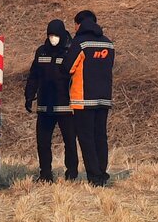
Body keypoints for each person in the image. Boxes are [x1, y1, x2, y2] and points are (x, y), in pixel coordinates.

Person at [67, 10, 115, 187]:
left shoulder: (80, 43)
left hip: (83, 99)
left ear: (79, 24)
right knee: (100, 137)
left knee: (86, 139)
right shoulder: (108, 43)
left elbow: (68, 67)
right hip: (104, 98)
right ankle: (102, 173)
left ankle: (94, 177)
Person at [25, 19, 77, 182]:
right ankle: (45, 174)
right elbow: (34, 76)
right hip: (45, 105)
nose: (53, 38)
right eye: (50, 35)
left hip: (66, 106)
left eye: (55, 35)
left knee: (70, 141)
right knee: (43, 142)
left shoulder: (71, 51)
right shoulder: (41, 52)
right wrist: (29, 95)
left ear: (62, 34)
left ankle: (72, 173)